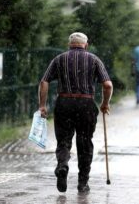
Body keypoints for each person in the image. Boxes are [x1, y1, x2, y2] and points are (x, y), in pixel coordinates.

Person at [38, 32, 113, 193]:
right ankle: (82, 183)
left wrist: (42, 106)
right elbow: (107, 85)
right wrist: (105, 103)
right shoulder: (94, 59)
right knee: (85, 142)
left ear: (69, 45)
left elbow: (44, 81)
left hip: (64, 103)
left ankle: (62, 165)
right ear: (86, 45)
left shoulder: (59, 59)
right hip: (86, 104)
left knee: (63, 140)